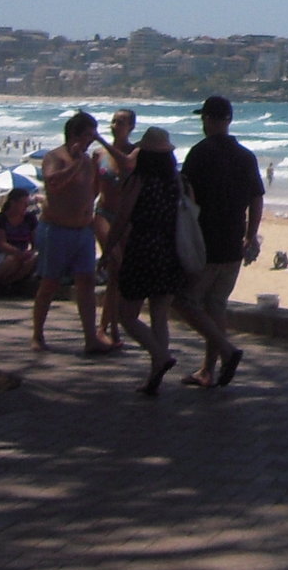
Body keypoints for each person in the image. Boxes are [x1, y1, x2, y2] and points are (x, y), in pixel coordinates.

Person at [175, 96, 258, 387]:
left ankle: (226, 350)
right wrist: (251, 234)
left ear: (210, 119)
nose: (202, 124)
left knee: (185, 301)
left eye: (204, 118)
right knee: (216, 305)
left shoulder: (200, 153)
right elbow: (256, 198)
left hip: (205, 240)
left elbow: (185, 195)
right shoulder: (246, 156)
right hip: (233, 240)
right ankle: (208, 370)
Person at [112, 128, 188, 397]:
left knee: (127, 315)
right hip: (170, 249)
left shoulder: (139, 180)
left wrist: (109, 246)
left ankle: (160, 356)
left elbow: (122, 218)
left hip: (143, 246)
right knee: (159, 317)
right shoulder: (176, 181)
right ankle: (155, 375)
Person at [32, 113, 114, 354]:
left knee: (86, 283)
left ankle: (90, 337)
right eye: (89, 135)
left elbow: (94, 190)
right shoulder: (55, 157)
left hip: (82, 231)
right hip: (56, 229)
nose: (92, 140)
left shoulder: (90, 162)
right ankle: (37, 334)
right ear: (75, 135)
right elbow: (52, 183)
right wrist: (76, 163)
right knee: (49, 283)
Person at [96, 109, 139, 345]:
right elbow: (93, 188)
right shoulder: (99, 154)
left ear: (131, 126)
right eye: (113, 121)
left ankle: (111, 327)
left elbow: (127, 166)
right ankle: (104, 327)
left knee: (117, 275)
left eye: (121, 122)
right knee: (116, 263)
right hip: (103, 214)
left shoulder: (136, 153)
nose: (115, 125)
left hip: (127, 218)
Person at [0, 188, 40, 296]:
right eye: (24, 204)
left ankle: (1, 284)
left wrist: (31, 252)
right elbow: (1, 243)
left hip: (22, 255)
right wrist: (18, 253)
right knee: (12, 259)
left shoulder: (29, 218)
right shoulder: (1, 219)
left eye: (28, 204)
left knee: (34, 260)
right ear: (13, 203)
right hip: (0, 255)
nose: (26, 207)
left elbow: (35, 241)